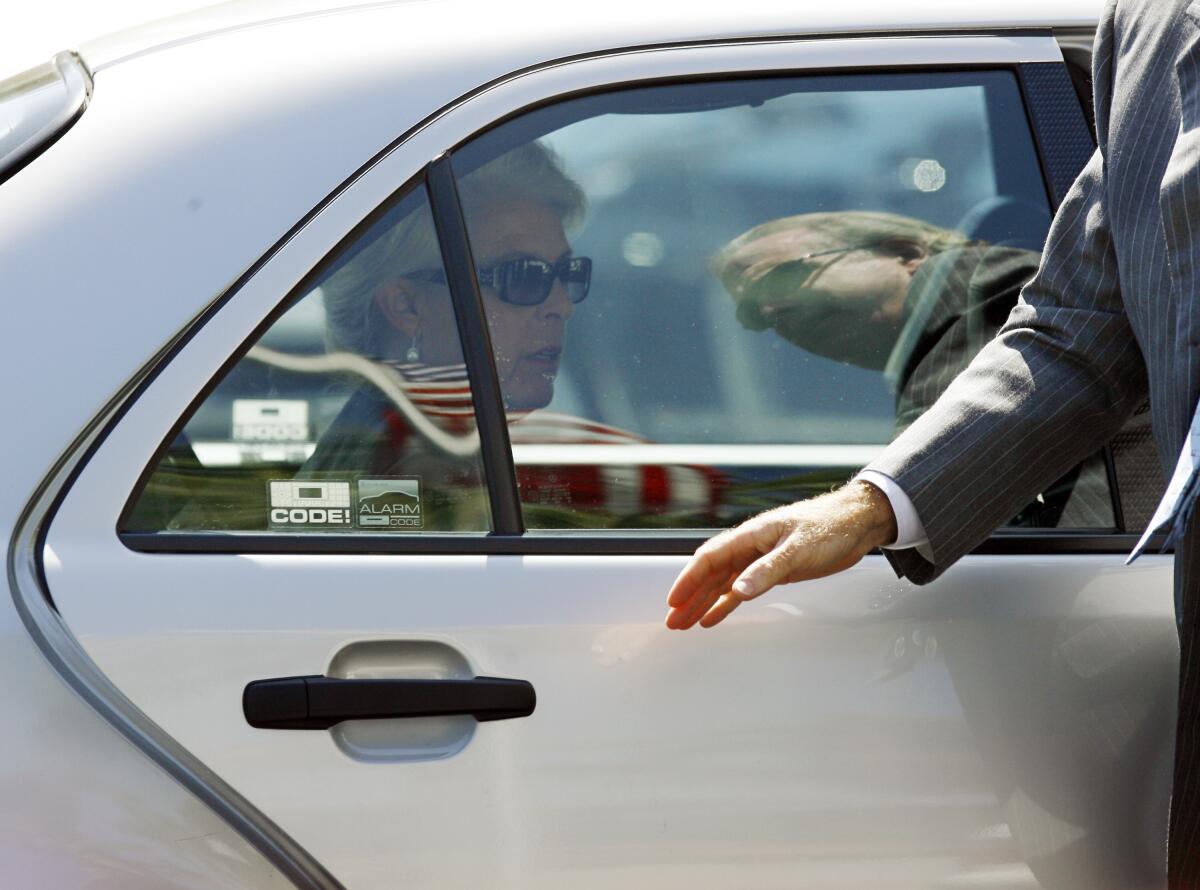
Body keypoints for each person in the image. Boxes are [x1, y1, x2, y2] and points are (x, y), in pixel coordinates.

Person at [667, 2, 1200, 884]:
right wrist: (868, 507)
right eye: (749, 319)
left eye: (780, 283)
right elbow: (1081, 329)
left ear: (905, 251)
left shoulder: (963, 317)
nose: (770, 325)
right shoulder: (1143, 24)